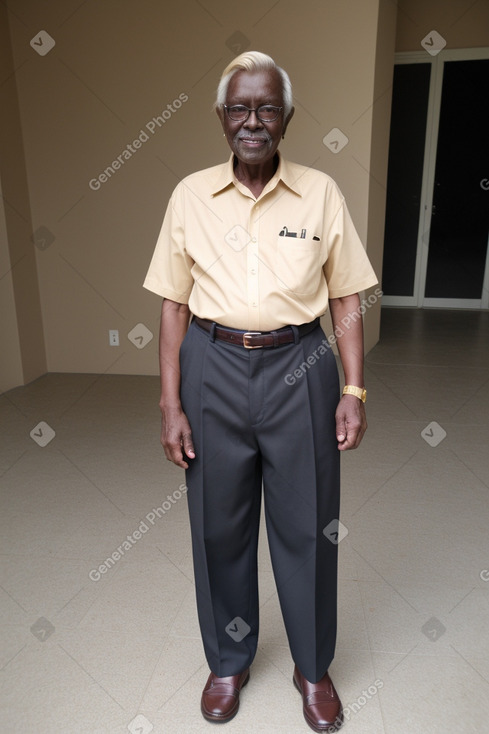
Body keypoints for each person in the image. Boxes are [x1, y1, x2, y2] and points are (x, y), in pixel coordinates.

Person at [143, 51, 378, 733]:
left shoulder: (321, 192)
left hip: (299, 367)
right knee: (219, 528)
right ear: (222, 117)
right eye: (240, 107)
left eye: (266, 107)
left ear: (286, 117)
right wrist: (170, 403)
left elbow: (347, 296)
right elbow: (171, 307)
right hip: (209, 367)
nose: (253, 120)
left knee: (306, 528)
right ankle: (228, 660)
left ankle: (312, 669)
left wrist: (354, 389)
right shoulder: (189, 195)